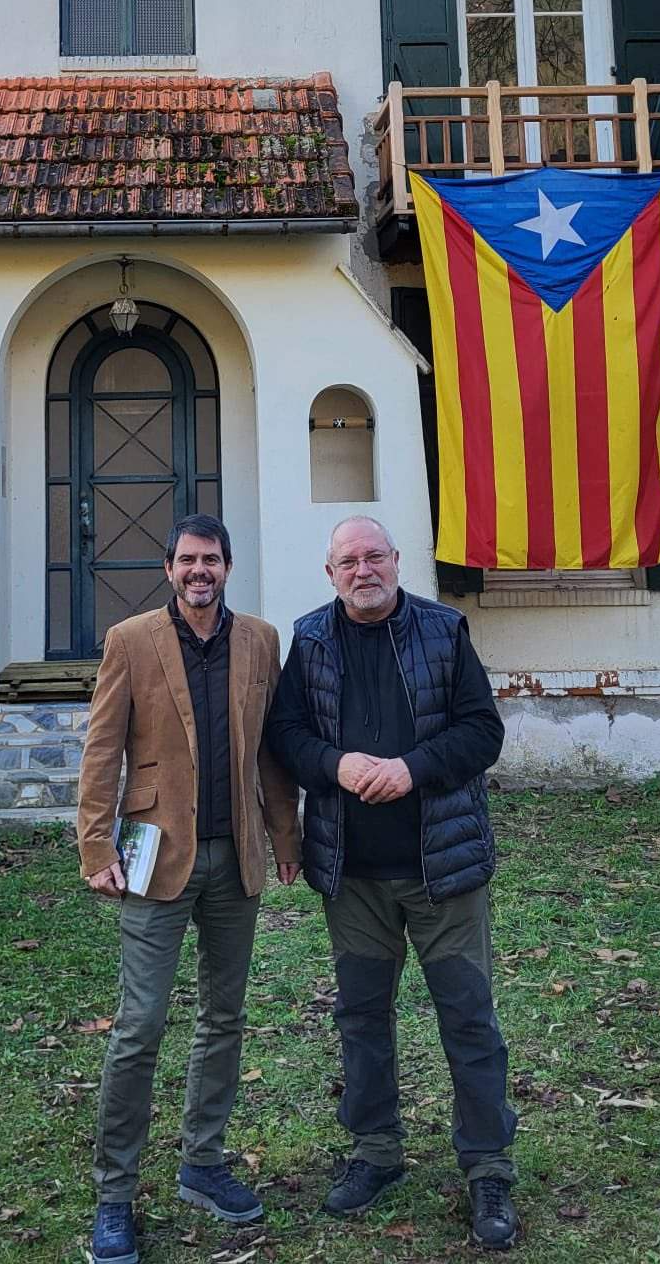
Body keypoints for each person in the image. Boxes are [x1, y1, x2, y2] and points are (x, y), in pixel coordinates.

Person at [266, 514, 520, 1251]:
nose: (363, 569)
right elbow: (285, 736)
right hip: (355, 876)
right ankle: (375, 1151)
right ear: (330, 573)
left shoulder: (444, 632)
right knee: (362, 1022)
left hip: (442, 872)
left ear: (396, 561)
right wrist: (335, 765)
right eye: (349, 560)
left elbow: (483, 732)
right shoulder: (310, 639)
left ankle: (487, 1166)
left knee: (469, 1019)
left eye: (374, 556)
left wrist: (412, 768)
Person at [76, 513, 300, 1264]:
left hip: (234, 858)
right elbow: (102, 748)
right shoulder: (131, 641)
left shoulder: (261, 641)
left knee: (224, 1016)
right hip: (153, 855)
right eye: (187, 560)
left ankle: (203, 1163)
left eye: (212, 559)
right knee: (139, 1027)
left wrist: (285, 837)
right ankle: (115, 1196)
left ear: (228, 567)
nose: (200, 571)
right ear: (169, 568)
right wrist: (94, 844)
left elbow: (271, 749)